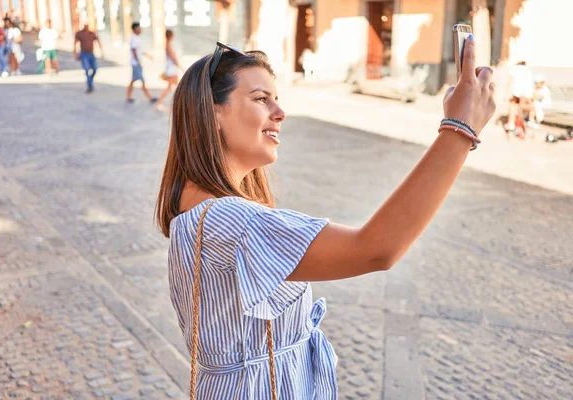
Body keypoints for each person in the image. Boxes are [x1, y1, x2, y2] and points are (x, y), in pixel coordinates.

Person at [155, 37, 495, 399]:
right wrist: (459, 129)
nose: (279, 112)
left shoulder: (195, 207)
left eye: (277, 99)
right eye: (260, 99)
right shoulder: (233, 221)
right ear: (213, 112)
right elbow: (376, 248)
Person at [126, 22, 156, 103]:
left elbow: (139, 51)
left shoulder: (136, 38)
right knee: (142, 81)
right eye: (139, 28)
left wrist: (148, 55)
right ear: (135, 29)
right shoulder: (133, 38)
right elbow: (134, 51)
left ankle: (128, 96)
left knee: (133, 80)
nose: (140, 30)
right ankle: (150, 97)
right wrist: (138, 61)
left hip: (136, 63)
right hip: (136, 64)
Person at [155, 29, 183, 112]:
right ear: (170, 36)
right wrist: (180, 66)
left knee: (175, 87)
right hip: (171, 69)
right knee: (171, 87)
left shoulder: (168, 44)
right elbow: (173, 58)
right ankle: (159, 103)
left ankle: (178, 104)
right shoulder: (168, 45)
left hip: (172, 68)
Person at [504, 61, 534, 135]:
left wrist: (507, 92)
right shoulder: (528, 69)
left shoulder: (514, 68)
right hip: (526, 91)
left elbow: (510, 80)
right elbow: (531, 82)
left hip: (516, 89)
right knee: (524, 106)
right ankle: (531, 120)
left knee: (513, 105)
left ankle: (511, 123)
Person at [74, 23, 103, 93]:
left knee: (95, 69)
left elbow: (97, 41)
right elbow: (75, 43)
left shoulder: (91, 33)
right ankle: (90, 86)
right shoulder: (80, 34)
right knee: (87, 70)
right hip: (84, 54)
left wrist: (101, 50)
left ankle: (90, 81)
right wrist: (75, 53)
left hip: (91, 53)